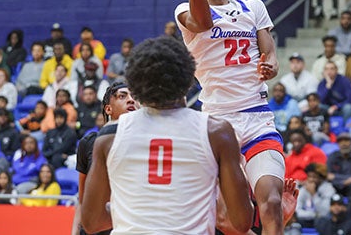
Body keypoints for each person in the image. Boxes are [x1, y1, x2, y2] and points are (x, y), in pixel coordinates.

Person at [81, 36, 254, 235]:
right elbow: (241, 222)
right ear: (189, 77)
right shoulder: (217, 132)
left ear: (135, 84)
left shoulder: (110, 135)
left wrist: (135, 214)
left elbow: (91, 223)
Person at [171, 0, 285, 232]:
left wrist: (270, 64)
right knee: (230, 219)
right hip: (218, 123)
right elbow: (203, 21)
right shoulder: (184, 11)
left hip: (257, 117)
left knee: (272, 201)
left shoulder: (253, 7)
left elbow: (269, 52)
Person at [75, 82, 137, 235]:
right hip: (96, 228)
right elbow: (82, 200)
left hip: (131, 226)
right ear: (108, 109)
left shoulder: (147, 141)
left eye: (134, 97)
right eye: (122, 96)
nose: (131, 100)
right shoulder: (90, 142)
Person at [295, 162, 337, 229]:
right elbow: (297, 211)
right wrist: (314, 215)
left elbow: (324, 213)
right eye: (309, 176)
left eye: (314, 177)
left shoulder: (329, 189)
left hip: (324, 222)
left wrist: (313, 194)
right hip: (305, 219)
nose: (311, 179)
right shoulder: (304, 189)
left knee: (323, 221)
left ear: (321, 178)